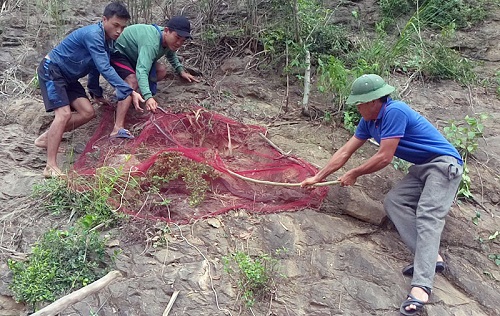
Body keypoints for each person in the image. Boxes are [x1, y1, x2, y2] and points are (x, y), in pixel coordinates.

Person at [300, 74, 463, 315]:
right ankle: (430, 258)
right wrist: (318, 177)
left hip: (443, 166)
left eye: (360, 102)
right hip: (421, 168)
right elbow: (345, 151)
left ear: (375, 100)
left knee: (428, 217)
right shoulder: (368, 122)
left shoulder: (395, 111)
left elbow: (385, 157)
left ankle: (422, 287)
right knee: (394, 201)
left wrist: (354, 173)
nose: (357, 106)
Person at [34, 1, 144, 178]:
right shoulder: (93, 34)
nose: (119, 31)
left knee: (87, 112)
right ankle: (50, 166)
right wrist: (130, 90)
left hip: (68, 77)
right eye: (116, 25)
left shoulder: (108, 42)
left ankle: (46, 138)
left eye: (122, 28)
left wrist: (96, 93)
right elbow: (105, 68)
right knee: (63, 114)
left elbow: (96, 68)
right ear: (104, 20)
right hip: (52, 69)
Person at [109, 16, 200, 139]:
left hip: (135, 57)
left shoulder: (167, 40)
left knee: (161, 70)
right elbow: (141, 70)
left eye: (183, 41)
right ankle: (117, 128)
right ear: (166, 30)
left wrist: (181, 71)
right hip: (118, 54)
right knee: (133, 80)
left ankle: (132, 95)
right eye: (177, 38)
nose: (179, 43)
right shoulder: (151, 42)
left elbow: (171, 54)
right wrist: (148, 97)